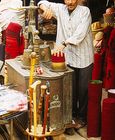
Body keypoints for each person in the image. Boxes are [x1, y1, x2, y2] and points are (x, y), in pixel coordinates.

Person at [37, 0, 94, 130]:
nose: (70, 2)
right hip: (69, 58)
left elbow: (80, 33)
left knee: (83, 90)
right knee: (70, 88)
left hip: (84, 57)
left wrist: (63, 43)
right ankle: (71, 117)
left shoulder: (85, 11)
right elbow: (41, 2)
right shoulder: (60, 9)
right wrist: (45, 9)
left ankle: (82, 118)